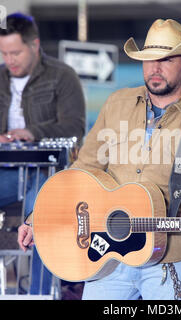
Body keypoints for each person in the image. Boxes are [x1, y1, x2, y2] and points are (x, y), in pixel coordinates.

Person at [19, 18, 181, 300]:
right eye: (148, 59)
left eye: (165, 60)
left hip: (168, 259)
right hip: (106, 255)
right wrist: (38, 219)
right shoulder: (117, 104)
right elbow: (84, 169)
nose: (154, 68)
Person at [0, 13, 86, 295]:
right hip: (6, 173)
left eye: (15, 52)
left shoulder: (62, 76)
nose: (9, 60)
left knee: (42, 208)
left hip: (48, 173)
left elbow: (75, 126)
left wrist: (32, 131)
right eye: (4, 53)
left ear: (34, 45)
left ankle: (40, 291)